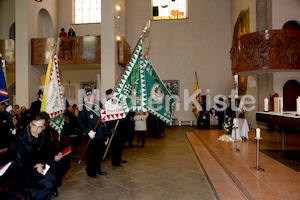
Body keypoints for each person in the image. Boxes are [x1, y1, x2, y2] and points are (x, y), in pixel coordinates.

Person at [9, 112, 58, 200]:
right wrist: (35, 166)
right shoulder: (20, 140)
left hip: (33, 166)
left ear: (44, 128)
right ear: (30, 123)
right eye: (34, 125)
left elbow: (42, 152)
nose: (35, 129)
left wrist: (40, 162)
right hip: (20, 172)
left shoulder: (41, 135)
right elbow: (19, 164)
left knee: (54, 178)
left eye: (39, 127)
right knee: (48, 184)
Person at [77, 88, 107, 177]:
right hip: (91, 135)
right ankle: (90, 171)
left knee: (99, 153)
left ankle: (98, 169)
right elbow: (80, 122)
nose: (95, 97)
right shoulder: (83, 108)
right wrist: (87, 131)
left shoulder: (98, 105)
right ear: (88, 97)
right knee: (91, 154)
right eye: (93, 96)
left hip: (100, 134)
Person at [104, 89, 127, 166]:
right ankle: (114, 161)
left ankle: (119, 158)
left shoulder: (116, 104)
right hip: (112, 129)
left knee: (120, 144)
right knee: (114, 145)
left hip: (119, 128)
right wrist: (110, 129)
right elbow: (106, 119)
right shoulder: (106, 106)